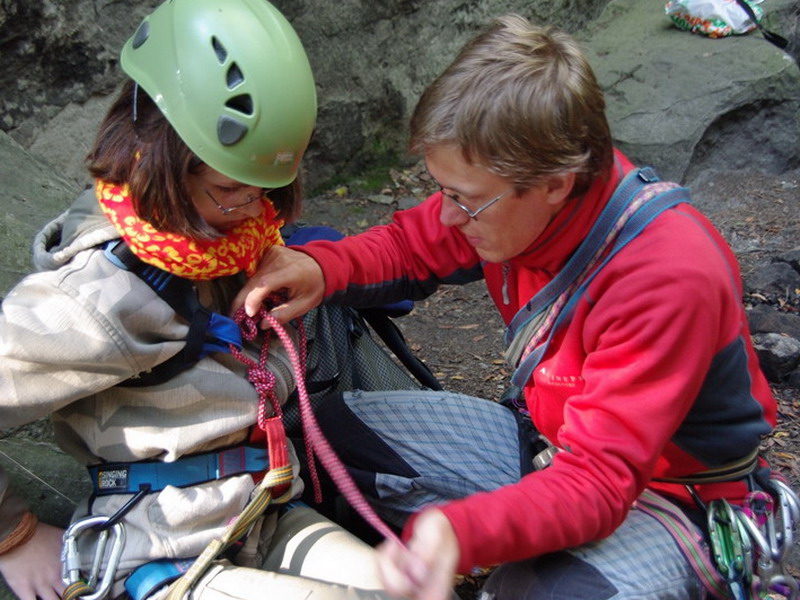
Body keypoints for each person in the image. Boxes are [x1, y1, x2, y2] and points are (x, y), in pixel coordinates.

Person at [235, 14, 795, 600]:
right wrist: (323, 267)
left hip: (675, 495)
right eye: (444, 190)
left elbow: (598, 484)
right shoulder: (514, 208)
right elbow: (411, 245)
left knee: (532, 592)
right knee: (328, 439)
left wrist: (456, 533)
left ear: (555, 183)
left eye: (465, 200)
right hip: (550, 447)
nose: (449, 214)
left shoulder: (666, 276)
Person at [0, 1, 404, 599]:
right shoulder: (106, 293)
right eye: (228, 190)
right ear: (154, 151)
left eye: (264, 192)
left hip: (263, 517)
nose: (252, 211)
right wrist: (14, 534)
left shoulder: (237, 245)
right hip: (161, 552)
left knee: (411, 591)